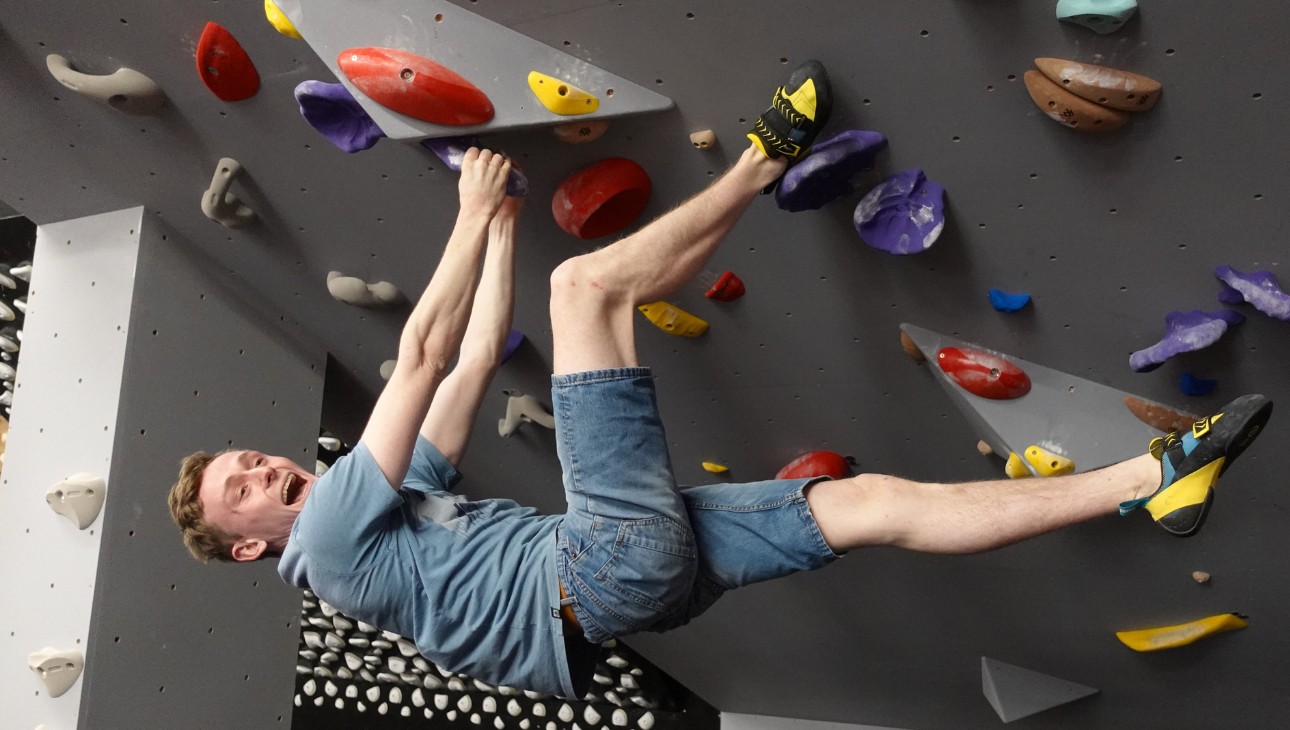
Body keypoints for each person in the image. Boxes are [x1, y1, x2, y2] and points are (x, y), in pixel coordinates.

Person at [168, 61, 1273, 698]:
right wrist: (462, 215)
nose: (264, 465)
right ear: (255, 542)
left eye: (249, 459)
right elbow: (412, 358)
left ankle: (1152, 475)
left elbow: (462, 366)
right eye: (242, 489)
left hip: (626, 590)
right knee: (586, 294)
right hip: (597, 569)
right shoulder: (327, 543)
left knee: (879, 505)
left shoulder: (386, 523)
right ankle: (764, 156)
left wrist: (500, 229)